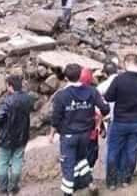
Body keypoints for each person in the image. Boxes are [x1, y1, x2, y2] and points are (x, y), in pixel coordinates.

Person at [51, 63, 110, 196]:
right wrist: (97, 118)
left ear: (66, 77)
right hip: (86, 133)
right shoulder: (91, 91)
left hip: (69, 135)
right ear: (80, 75)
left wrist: (56, 132)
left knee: (68, 164)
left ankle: (68, 192)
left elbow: (55, 118)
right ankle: (90, 183)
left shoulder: (61, 95)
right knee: (81, 159)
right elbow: (105, 108)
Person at [103, 54, 137, 190]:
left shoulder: (119, 79)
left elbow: (108, 97)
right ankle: (126, 179)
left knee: (113, 151)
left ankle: (112, 182)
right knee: (132, 151)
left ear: (126, 63)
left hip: (120, 120)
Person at [0, 75, 35, 195]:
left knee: (3, 163)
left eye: (7, 85)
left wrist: (0, 125)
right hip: (22, 136)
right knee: (17, 161)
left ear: (10, 86)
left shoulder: (7, 101)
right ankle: (13, 187)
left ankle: (3, 189)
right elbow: (31, 109)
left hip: (6, 137)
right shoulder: (28, 98)